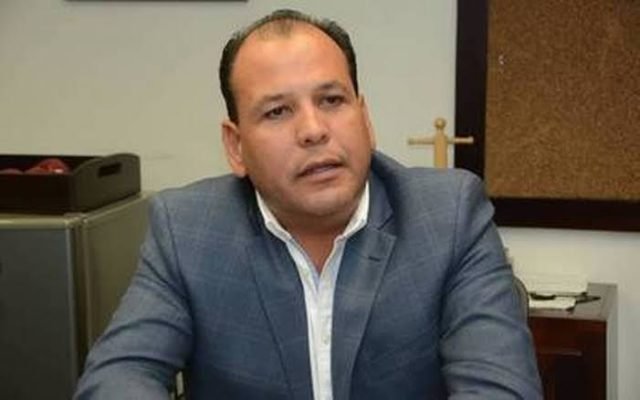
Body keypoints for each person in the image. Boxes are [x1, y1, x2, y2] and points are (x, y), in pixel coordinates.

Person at [74, 9, 542, 399]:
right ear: (236, 146)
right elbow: (116, 379)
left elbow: (501, 389)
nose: (314, 130)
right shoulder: (188, 230)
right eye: (278, 111)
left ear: (365, 119)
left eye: (332, 100)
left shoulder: (449, 216)